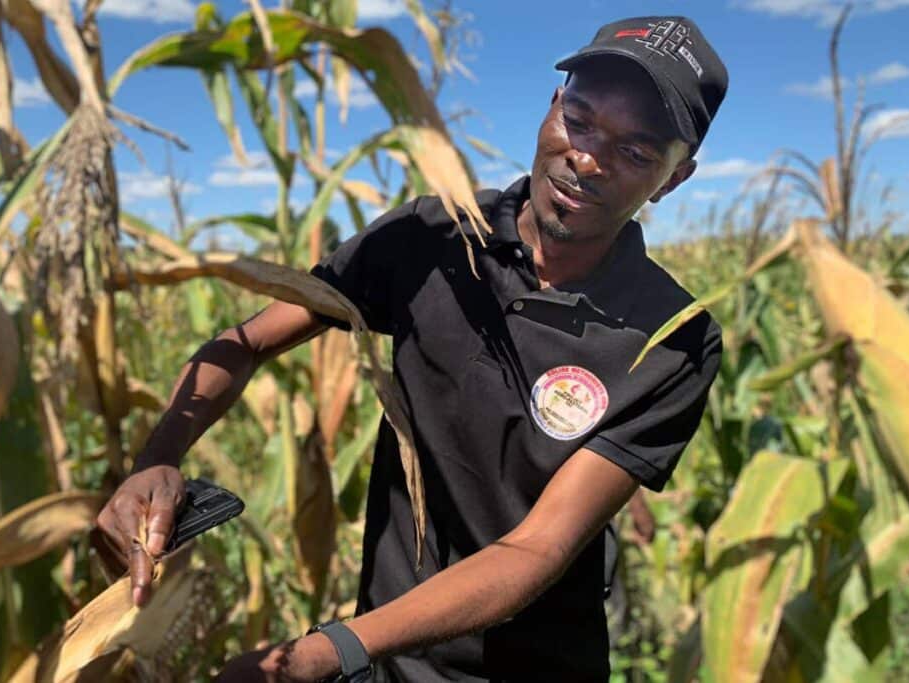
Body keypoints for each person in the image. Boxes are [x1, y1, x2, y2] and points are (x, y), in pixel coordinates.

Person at [96, 15, 728, 683]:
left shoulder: (673, 339)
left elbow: (535, 550)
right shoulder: (433, 236)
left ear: (673, 178)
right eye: (581, 118)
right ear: (551, 109)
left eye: (634, 152)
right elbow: (247, 340)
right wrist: (159, 455)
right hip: (385, 660)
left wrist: (323, 651)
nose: (588, 157)